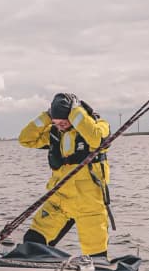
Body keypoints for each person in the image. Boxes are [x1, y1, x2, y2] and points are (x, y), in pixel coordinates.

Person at [18, 92, 112, 257]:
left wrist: (76, 111)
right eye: (56, 123)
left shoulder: (98, 125)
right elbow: (25, 139)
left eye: (63, 122)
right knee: (32, 242)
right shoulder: (55, 134)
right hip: (58, 203)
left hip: (89, 206)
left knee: (96, 257)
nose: (60, 126)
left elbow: (96, 139)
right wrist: (47, 117)